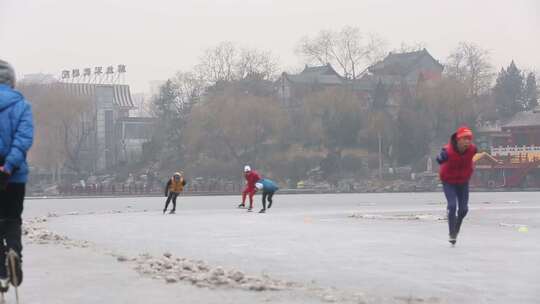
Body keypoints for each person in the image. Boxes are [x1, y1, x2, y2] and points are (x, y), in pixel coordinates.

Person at [0, 59, 34, 291]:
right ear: (12, 81)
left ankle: (1, 270)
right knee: (12, 219)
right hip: (15, 176)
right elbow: (24, 139)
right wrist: (9, 166)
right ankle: (14, 253)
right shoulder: (22, 106)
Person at [436, 126, 477, 245]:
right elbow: (439, 159)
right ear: (458, 140)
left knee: (464, 209)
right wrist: (440, 158)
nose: (467, 142)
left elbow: (476, 155)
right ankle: (452, 233)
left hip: (463, 182)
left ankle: (457, 226)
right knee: (452, 206)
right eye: (465, 139)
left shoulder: (473, 149)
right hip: (449, 182)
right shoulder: (448, 151)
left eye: (469, 139)